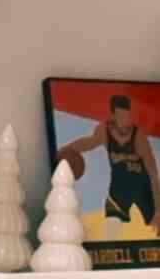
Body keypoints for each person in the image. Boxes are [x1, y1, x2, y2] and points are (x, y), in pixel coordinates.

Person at [59, 95, 160, 239]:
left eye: (127, 116)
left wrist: (158, 209)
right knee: (110, 231)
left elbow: (153, 172)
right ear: (113, 116)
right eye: (121, 116)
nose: (125, 120)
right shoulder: (104, 131)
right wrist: (66, 149)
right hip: (119, 188)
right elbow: (89, 142)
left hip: (143, 189)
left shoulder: (139, 138)